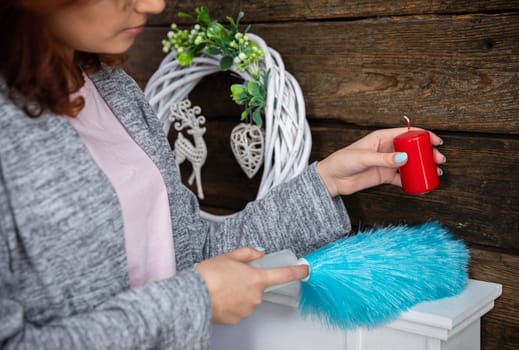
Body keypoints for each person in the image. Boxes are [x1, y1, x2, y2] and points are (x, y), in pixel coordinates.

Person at [0, 0, 446, 349]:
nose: (153, 5)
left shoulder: (115, 93)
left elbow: (189, 253)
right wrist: (197, 300)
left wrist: (328, 181)